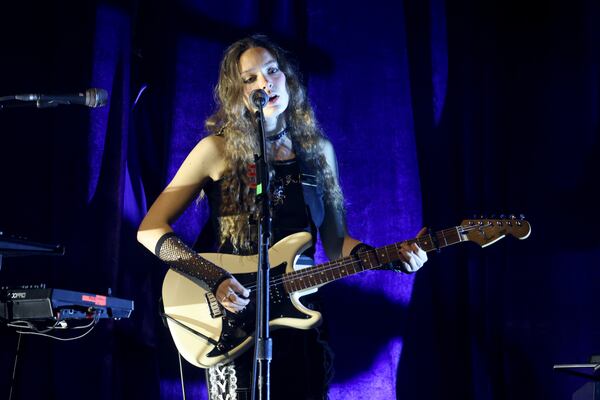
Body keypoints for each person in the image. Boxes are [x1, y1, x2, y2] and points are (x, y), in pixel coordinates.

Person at [137, 34, 428, 400]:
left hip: (302, 319)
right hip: (235, 322)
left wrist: (388, 259)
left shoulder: (319, 153)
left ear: (287, 77)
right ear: (238, 94)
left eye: (272, 71)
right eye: (250, 78)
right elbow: (149, 230)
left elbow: (336, 244)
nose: (265, 84)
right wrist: (214, 279)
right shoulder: (216, 150)